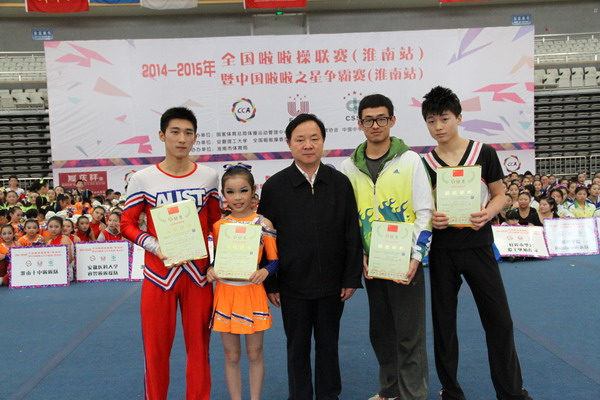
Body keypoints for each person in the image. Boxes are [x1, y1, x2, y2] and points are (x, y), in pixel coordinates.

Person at [421, 86, 533, 400]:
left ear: (459, 117)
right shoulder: (424, 162)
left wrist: (488, 213)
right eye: (431, 121)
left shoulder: (484, 153)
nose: (439, 126)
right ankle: (451, 391)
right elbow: (422, 206)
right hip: (442, 251)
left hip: (479, 246)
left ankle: (511, 392)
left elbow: (500, 195)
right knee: (444, 325)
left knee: (499, 320)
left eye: (444, 118)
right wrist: (431, 217)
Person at [257, 113, 363, 400]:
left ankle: (330, 396)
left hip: (332, 285)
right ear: (289, 143)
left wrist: (351, 277)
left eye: (314, 138)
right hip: (292, 286)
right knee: (297, 348)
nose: (308, 145)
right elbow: (265, 238)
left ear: (323, 142)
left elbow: (351, 233)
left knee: (329, 347)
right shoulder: (275, 187)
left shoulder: (340, 183)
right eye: (300, 139)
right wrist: (272, 283)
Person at [121, 106, 220, 400]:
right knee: (155, 351)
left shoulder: (209, 177)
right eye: (175, 132)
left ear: (195, 138)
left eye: (188, 133)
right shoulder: (143, 179)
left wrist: (217, 259)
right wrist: (155, 246)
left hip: (198, 275)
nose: (182, 139)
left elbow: (215, 223)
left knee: (199, 349)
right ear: (162, 135)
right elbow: (126, 224)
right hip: (158, 275)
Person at [340, 94, 433, 400]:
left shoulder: (410, 161)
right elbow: (347, 218)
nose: (375, 125)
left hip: (406, 262)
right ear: (360, 124)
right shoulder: (348, 167)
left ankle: (413, 395)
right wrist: (360, 255)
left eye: (381, 118)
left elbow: (424, 212)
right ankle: (390, 390)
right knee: (380, 331)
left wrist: (416, 256)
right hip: (372, 262)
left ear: (392, 120)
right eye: (368, 120)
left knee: (409, 333)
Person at [206, 164, 278, 400]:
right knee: (231, 356)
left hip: (252, 294)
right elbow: (215, 260)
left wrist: (266, 271)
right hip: (226, 295)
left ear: (253, 191)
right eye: (231, 192)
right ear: (223, 194)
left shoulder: (264, 224)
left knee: (255, 353)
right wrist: (210, 269)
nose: (237, 198)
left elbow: (274, 261)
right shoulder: (219, 226)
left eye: (243, 191)